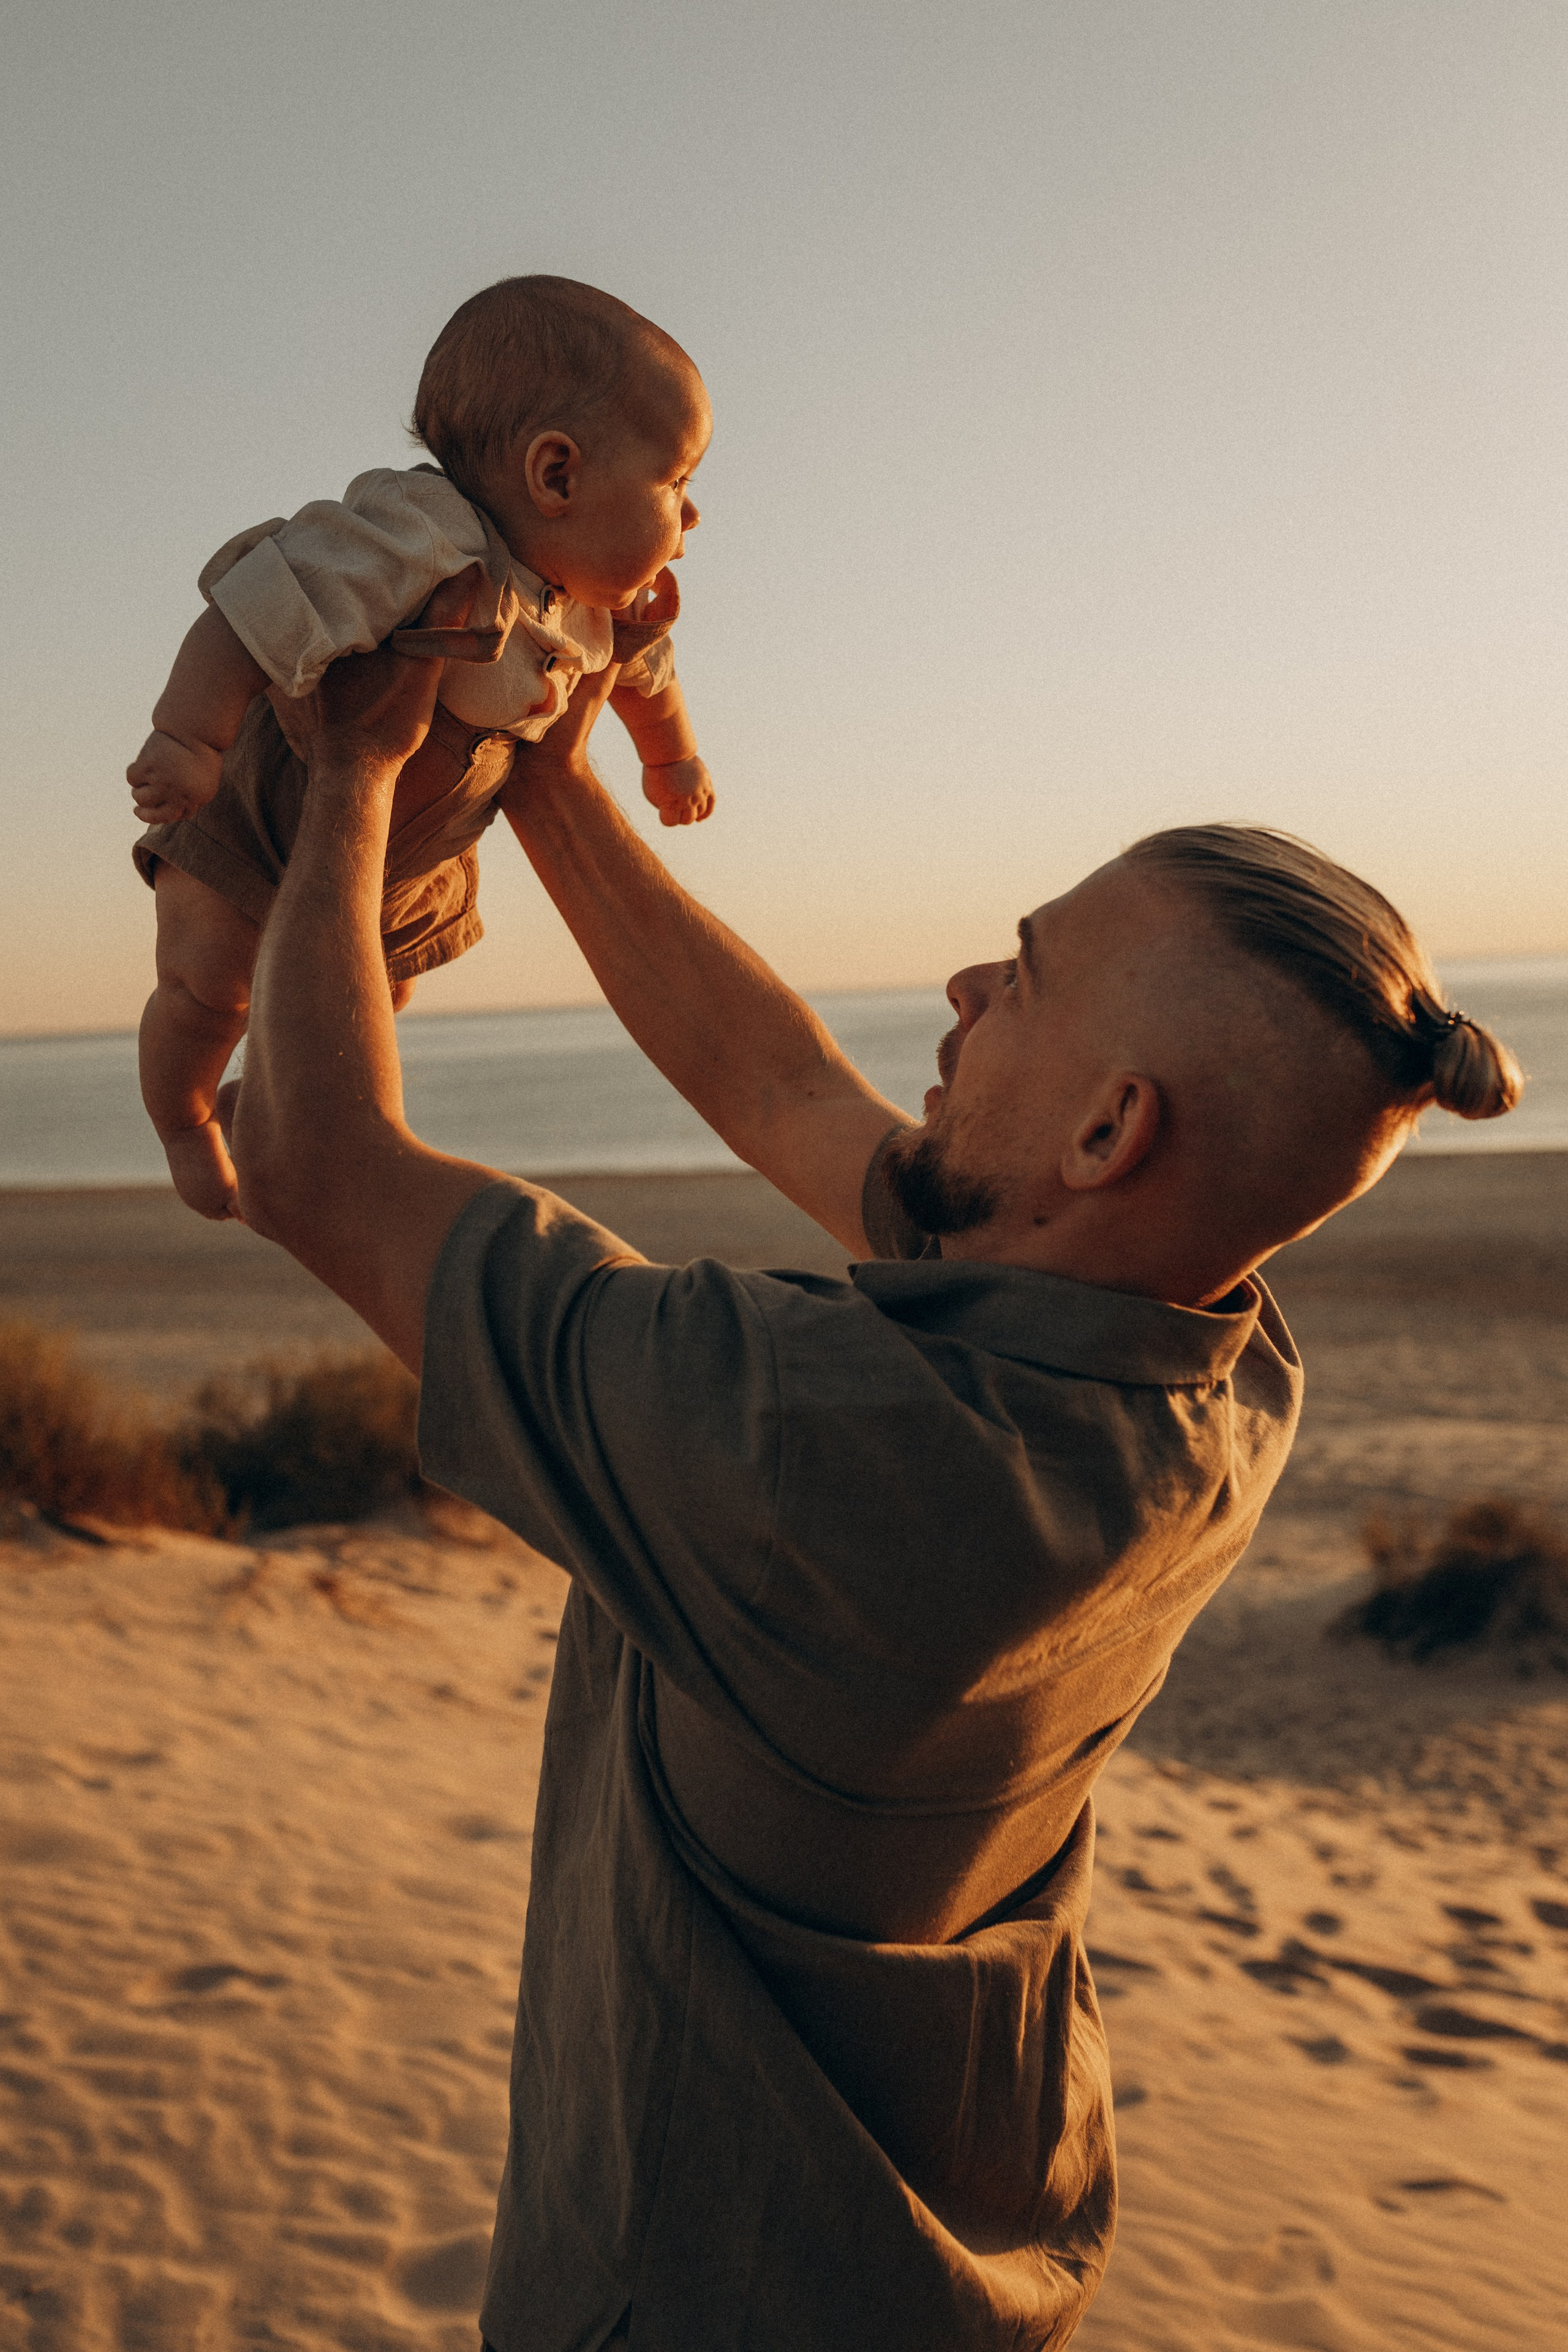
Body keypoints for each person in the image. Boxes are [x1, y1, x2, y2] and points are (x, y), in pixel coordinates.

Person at [225, 582, 1520, 2351]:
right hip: (971, 2255)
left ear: (1106, 1129)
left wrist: (357, 765)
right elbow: (779, 1083)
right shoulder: (1208, 1367)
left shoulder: (821, 1456)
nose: (965, 985)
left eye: (1025, 975)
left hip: (701, 2296)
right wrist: (538, 772)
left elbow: (306, 1153)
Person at [127, 276, 713, 1219]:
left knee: (372, 1003)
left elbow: (649, 675)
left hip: (412, 860)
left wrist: (670, 759)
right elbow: (257, 605)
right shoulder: (418, 538)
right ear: (556, 475)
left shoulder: (598, 608)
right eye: (676, 483)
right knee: (206, 991)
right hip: (266, 814)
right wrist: (187, 736)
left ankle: (269, 1102)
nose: (693, 518)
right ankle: (187, 1121)